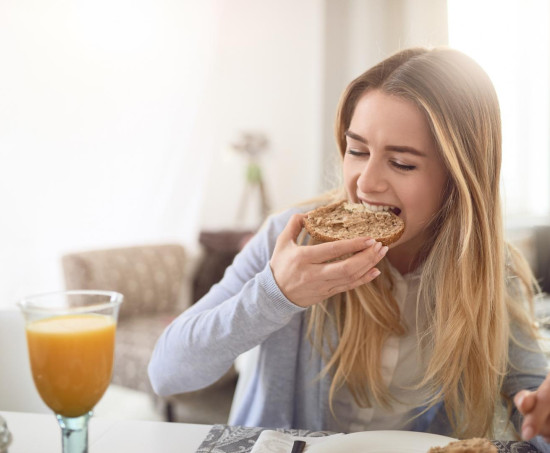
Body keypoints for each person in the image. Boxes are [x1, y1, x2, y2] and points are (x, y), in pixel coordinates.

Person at [148, 47, 550, 447]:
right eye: (357, 151)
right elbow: (167, 372)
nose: (365, 182)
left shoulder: (487, 270)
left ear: (459, 177)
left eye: (402, 163)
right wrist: (276, 294)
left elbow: (530, 396)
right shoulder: (289, 240)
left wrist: (538, 411)